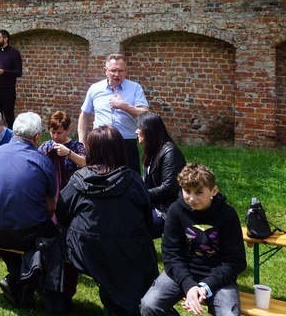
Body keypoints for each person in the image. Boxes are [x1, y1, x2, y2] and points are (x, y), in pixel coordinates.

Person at [57, 125, 157, 316]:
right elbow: (147, 218)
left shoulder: (79, 179)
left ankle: (63, 297)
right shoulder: (134, 180)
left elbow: (62, 213)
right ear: (120, 149)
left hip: (86, 249)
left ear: (92, 150)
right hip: (126, 247)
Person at [140, 163, 246, 316]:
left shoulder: (228, 215)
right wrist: (189, 285)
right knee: (149, 305)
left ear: (214, 191)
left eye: (199, 192)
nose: (192, 198)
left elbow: (235, 261)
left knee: (229, 314)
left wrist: (205, 287)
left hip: (217, 277)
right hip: (182, 272)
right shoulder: (175, 211)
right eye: (187, 191)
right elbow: (171, 255)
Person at [0, 112, 58, 309]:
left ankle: (16, 276)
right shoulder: (42, 161)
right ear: (37, 137)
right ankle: (26, 279)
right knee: (54, 233)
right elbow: (51, 206)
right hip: (26, 234)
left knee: (6, 221)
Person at [78, 53, 149, 174]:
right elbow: (84, 115)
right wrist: (82, 141)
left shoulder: (135, 88)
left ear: (126, 71)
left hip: (126, 143)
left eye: (120, 71)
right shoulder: (95, 88)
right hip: (101, 142)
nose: (117, 74)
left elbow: (145, 115)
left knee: (130, 180)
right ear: (105, 70)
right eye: (113, 71)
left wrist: (123, 106)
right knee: (98, 178)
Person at [136, 111, 186, 238]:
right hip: (151, 204)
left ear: (148, 131)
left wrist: (140, 195)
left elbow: (168, 188)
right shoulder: (151, 150)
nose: (136, 131)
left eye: (139, 128)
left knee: (135, 227)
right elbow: (145, 181)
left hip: (166, 209)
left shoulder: (170, 152)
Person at [38, 111, 86, 195]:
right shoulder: (45, 147)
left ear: (68, 130)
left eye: (59, 133)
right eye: (52, 132)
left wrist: (69, 153)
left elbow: (86, 164)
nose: (55, 136)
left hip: (70, 191)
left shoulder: (76, 147)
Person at [0, 30, 22, 128]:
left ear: (5, 39)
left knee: (9, 116)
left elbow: (18, 72)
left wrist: (3, 72)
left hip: (7, 90)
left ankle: (13, 138)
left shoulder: (14, 53)